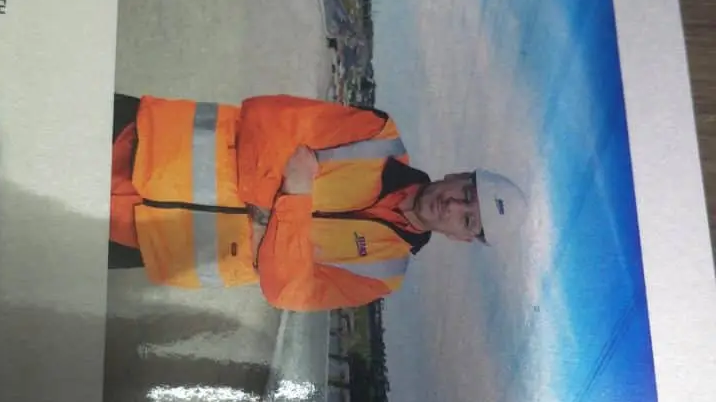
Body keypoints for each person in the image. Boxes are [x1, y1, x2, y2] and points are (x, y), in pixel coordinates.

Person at [108, 93, 526, 312]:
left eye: (467, 220)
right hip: (146, 141)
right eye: (466, 193)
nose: (453, 206)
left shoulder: (382, 275)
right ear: (457, 175)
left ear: (461, 238)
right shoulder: (377, 135)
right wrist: (273, 240)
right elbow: (267, 119)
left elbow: (287, 290)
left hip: (151, 242)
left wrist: (295, 193)